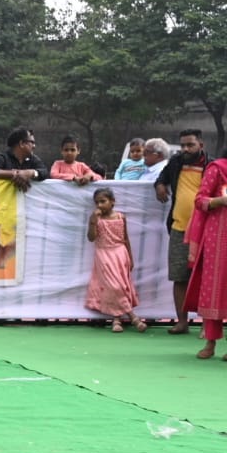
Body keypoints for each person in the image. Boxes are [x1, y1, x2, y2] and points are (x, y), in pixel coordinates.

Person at [155, 129, 209, 335]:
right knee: (179, 277)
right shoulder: (176, 162)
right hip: (178, 228)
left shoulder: (210, 165)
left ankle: (207, 326)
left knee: (205, 278)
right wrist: (160, 185)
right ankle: (182, 322)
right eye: (183, 145)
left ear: (200, 145)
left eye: (190, 145)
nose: (185, 149)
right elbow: (162, 177)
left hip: (205, 231)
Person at [184, 146, 227, 359]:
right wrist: (220, 201)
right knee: (215, 288)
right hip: (218, 236)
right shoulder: (217, 168)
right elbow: (200, 200)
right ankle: (210, 342)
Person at [85, 187, 144, 333]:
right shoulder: (96, 219)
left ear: (112, 202)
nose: (99, 205)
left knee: (121, 285)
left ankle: (116, 320)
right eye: (97, 203)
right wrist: (92, 221)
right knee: (114, 286)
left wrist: (130, 257)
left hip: (120, 254)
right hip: (104, 254)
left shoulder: (120, 217)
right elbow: (91, 238)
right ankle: (133, 317)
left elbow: (126, 239)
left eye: (103, 201)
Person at [0, 127, 48, 191]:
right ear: (22, 144)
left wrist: (31, 173)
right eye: (32, 142)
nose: (34, 146)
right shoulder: (3, 158)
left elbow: (44, 172)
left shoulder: (33, 159)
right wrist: (14, 174)